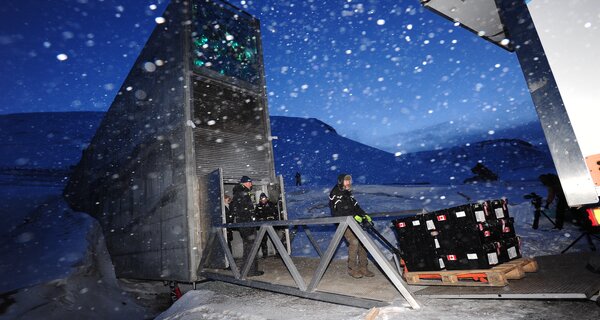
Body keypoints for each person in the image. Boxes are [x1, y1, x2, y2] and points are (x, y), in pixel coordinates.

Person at [329, 174, 374, 278]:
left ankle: (363, 268)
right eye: (346, 181)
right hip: (343, 222)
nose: (348, 183)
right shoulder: (336, 193)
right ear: (341, 181)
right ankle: (352, 268)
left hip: (352, 221)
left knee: (363, 242)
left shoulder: (348, 193)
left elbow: (356, 207)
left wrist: (364, 215)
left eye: (349, 181)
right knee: (354, 242)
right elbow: (340, 210)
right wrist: (354, 216)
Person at [231, 176, 263, 276]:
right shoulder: (242, 193)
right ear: (244, 183)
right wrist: (250, 219)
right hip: (247, 224)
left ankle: (246, 270)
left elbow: (237, 208)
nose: (251, 184)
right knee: (251, 247)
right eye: (249, 182)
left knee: (248, 247)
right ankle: (250, 271)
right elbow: (245, 210)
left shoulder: (239, 192)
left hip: (245, 223)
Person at [255, 193, 278, 258]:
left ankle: (278, 252)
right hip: (262, 225)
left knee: (275, 239)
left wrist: (271, 218)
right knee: (263, 240)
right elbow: (256, 215)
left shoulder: (271, 204)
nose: (263, 200)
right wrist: (259, 220)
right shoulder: (258, 206)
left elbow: (275, 213)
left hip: (271, 224)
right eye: (262, 198)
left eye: (264, 198)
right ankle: (265, 254)